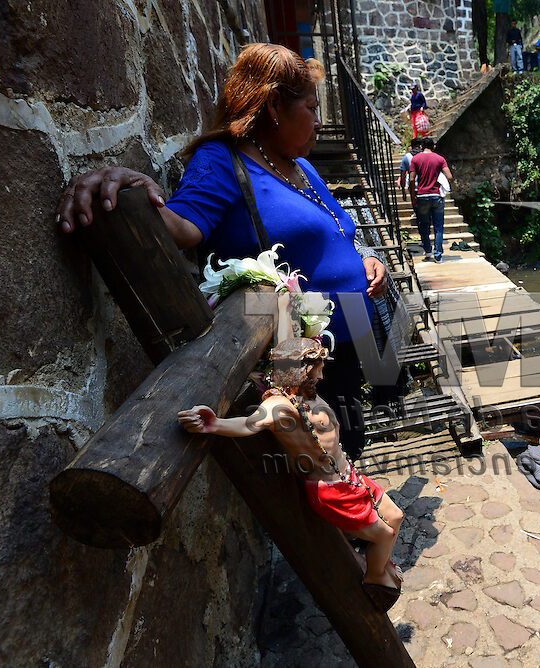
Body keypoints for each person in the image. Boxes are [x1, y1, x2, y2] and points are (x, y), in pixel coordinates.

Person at [56, 44, 388, 462]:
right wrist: (129, 187)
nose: (319, 123)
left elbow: (340, 229)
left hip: (347, 336)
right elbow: (181, 225)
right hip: (296, 357)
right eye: (310, 107)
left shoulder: (305, 167)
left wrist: (367, 257)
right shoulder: (222, 160)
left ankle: (360, 514)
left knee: (347, 443)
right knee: (318, 458)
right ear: (273, 107)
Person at [177, 338, 405, 610]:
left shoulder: (306, 393)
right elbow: (250, 424)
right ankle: (375, 577)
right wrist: (214, 424)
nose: (321, 375)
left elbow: (287, 342)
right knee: (384, 535)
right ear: (298, 370)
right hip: (331, 491)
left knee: (396, 516)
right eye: (315, 370)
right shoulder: (280, 406)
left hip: (349, 477)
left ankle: (377, 561)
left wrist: (285, 301)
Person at [408, 137, 453, 262]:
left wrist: (413, 196)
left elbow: (411, 179)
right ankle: (438, 256)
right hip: (436, 196)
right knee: (438, 227)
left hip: (422, 196)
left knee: (424, 225)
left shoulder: (415, 159)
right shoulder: (440, 159)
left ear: (421, 147)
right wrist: (438, 184)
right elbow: (449, 176)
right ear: (434, 147)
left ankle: (428, 251)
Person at [397, 137, 423, 214]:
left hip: (413, 184)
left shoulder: (406, 157)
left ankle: (417, 213)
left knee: (415, 202)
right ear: (421, 146)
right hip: (425, 184)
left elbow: (402, 175)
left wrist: (403, 191)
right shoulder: (426, 155)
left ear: (411, 147)